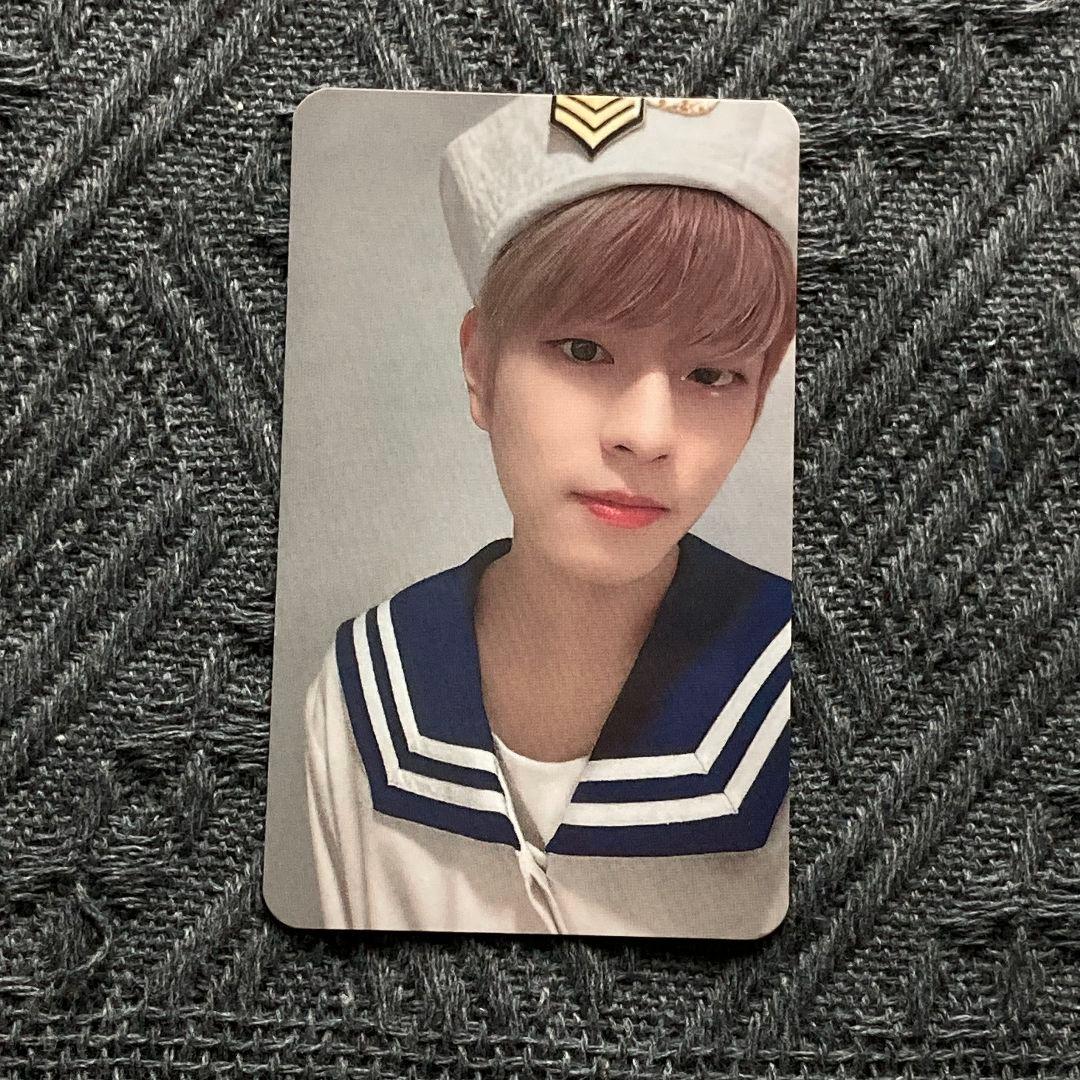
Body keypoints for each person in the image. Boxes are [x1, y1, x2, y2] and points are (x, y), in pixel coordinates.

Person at [301, 93, 798, 937]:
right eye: (583, 349)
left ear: (759, 400)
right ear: (480, 368)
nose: (647, 435)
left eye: (713, 374)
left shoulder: (794, 680)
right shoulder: (366, 686)